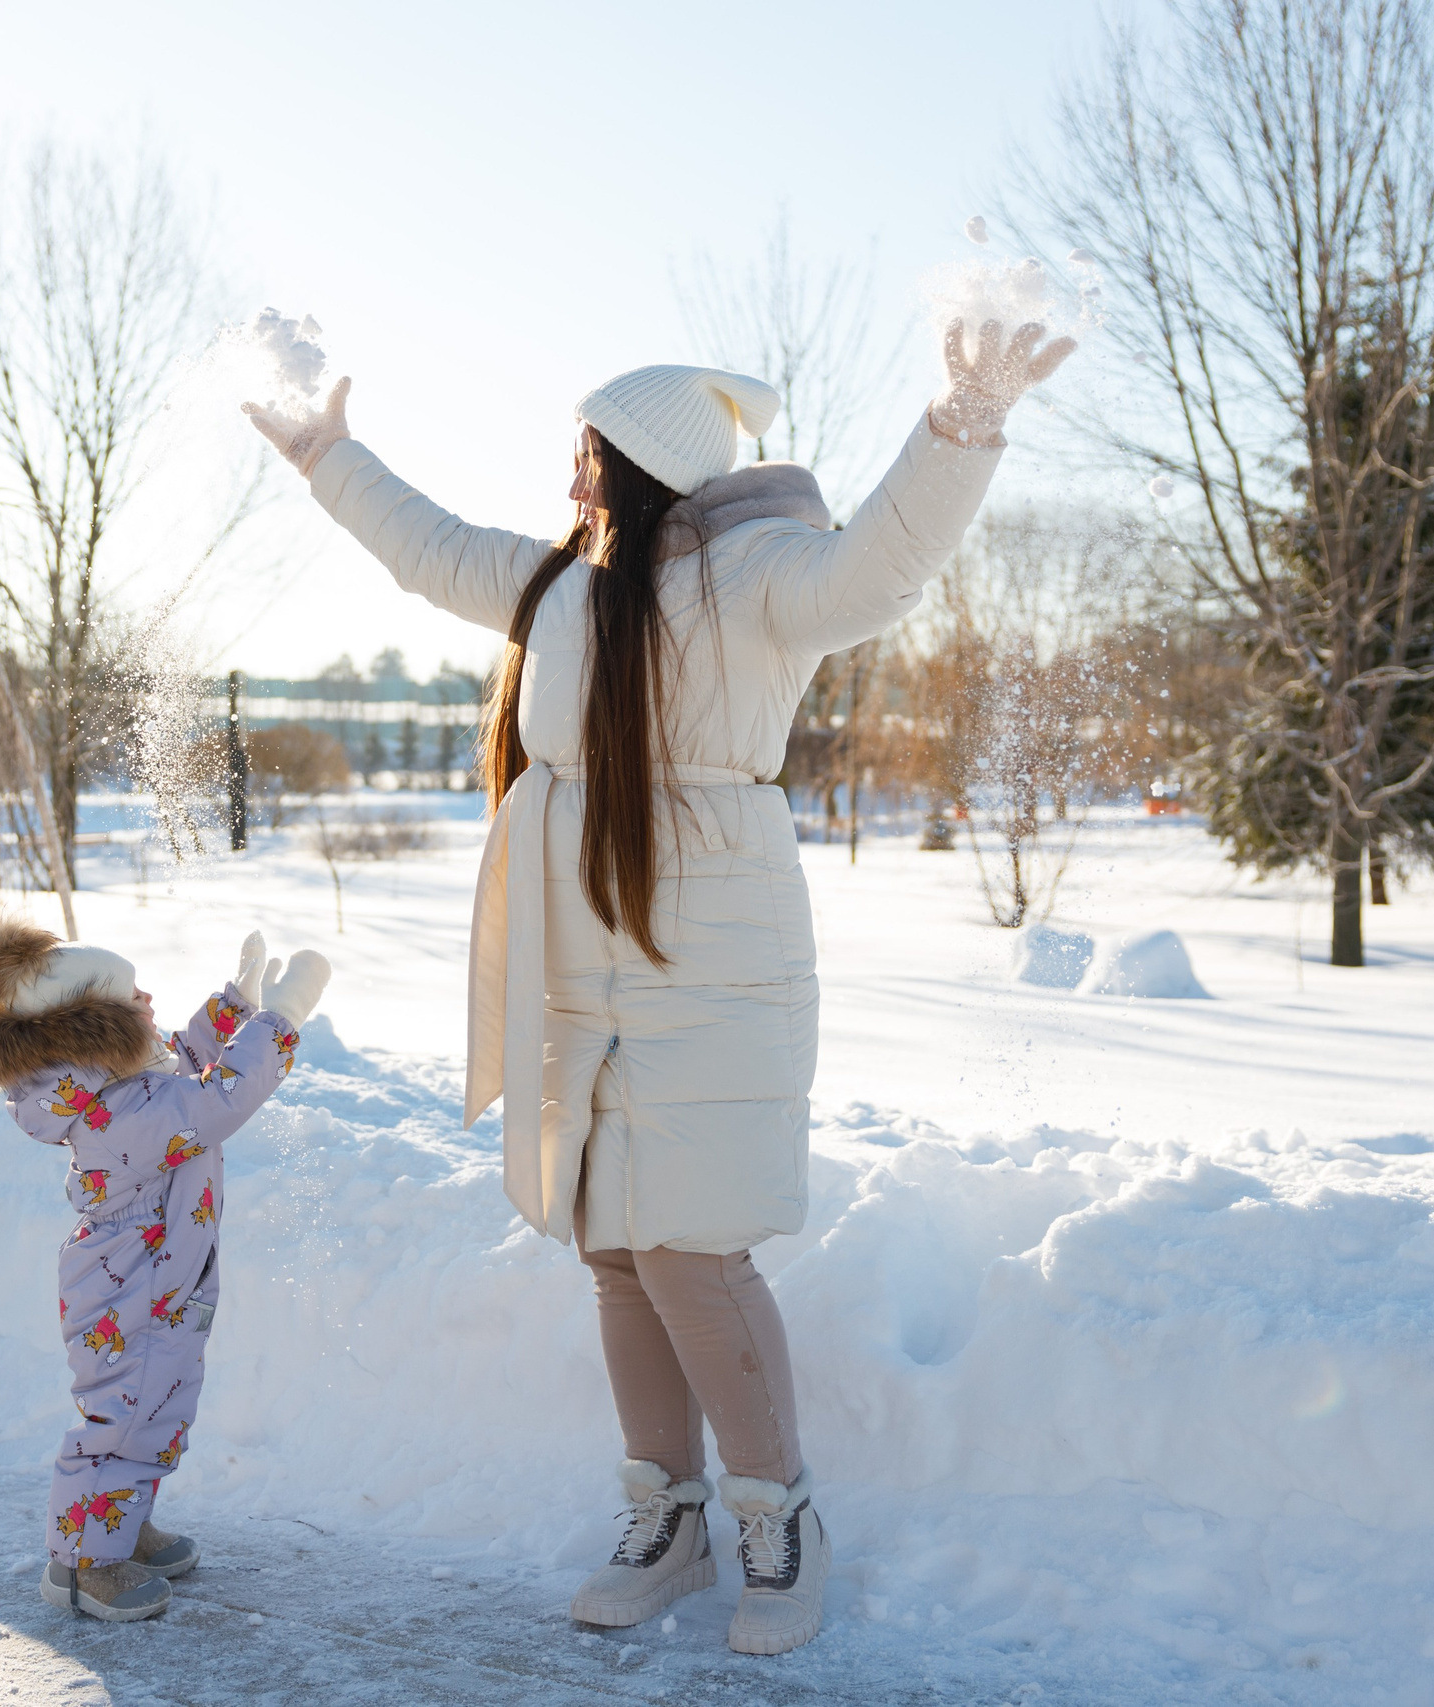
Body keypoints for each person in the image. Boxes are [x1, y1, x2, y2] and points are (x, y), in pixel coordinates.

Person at [245, 315, 1069, 1656]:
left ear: (641, 461)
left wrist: (961, 424)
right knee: (615, 1241)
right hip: (588, 958)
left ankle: (776, 1517)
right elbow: (429, 547)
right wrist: (331, 459)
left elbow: (883, 566)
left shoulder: (758, 576)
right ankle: (667, 1514)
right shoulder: (569, 587)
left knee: (694, 1243)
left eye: (587, 456)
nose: (570, 479)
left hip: (714, 964)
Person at [0, 919, 332, 1622]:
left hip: (161, 1279)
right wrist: (279, 1022)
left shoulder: (125, 1079)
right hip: (133, 1286)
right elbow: (215, 1099)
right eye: (132, 995)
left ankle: (118, 1526)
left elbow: (184, 1059)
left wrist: (234, 1008)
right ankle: (81, 1564)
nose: (148, 997)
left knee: (159, 1406)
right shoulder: (120, 1109)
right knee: (124, 1417)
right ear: (93, 1026)